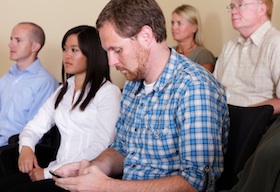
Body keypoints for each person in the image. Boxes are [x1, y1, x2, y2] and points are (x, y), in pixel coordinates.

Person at [54, 0, 230, 192]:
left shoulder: (194, 88)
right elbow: (121, 148)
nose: (111, 62)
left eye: (117, 50)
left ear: (146, 36)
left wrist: (107, 186)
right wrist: (91, 167)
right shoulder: (133, 83)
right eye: (108, 52)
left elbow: (196, 183)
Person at [0, 25, 121, 191]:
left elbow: (100, 147)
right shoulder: (64, 89)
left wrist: (49, 173)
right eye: (65, 49)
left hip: (81, 178)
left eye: (74, 50)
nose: (67, 55)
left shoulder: (108, 92)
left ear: (91, 53)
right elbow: (34, 126)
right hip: (55, 171)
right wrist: (26, 148)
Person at [213, 0, 280, 114]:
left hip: (256, 125)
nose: (233, 11)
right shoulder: (230, 46)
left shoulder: (276, 44)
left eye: (240, 5)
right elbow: (213, 88)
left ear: (261, 9)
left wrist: (246, 114)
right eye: (232, 6)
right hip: (219, 118)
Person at [0, 22, 59, 146]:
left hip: (14, 147)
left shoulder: (45, 82)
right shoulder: (7, 77)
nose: (11, 44)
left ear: (35, 47)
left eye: (18, 40)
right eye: (11, 39)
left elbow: (36, 129)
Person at [171, 4, 216, 73]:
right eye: (172, 23)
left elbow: (203, 82)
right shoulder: (169, 52)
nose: (174, 27)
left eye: (179, 23)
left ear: (194, 28)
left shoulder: (203, 55)